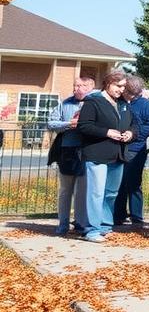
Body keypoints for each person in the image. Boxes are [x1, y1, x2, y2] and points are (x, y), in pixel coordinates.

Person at [77, 71, 134, 242]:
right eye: (118, 86)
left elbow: (133, 123)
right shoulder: (93, 101)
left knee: (111, 193)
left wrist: (131, 133)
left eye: (123, 86)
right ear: (108, 83)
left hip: (117, 155)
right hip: (97, 155)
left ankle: (105, 225)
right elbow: (84, 126)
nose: (121, 89)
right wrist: (106, 132)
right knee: (96, 192)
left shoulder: (122, 104)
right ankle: (91, 229)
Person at [48, 76, 93, 236]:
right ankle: (63, 224)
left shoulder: (94, 103)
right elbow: (51, 123)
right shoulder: (65, 104)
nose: (76, 89)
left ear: (90, 87)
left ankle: (80, 224)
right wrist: (68, 124)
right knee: (65, 190)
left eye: (80, 86)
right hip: (67, 150)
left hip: (86, 151)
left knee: (82, 190)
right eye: (75, 85)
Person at [114, 75, 149, 227]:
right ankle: (118, 214)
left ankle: (136, 216)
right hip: (119, 147)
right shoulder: (120, 103)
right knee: (119, 182)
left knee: (133, 182)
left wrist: (134, 135)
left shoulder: (146, 105)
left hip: (136, 148)